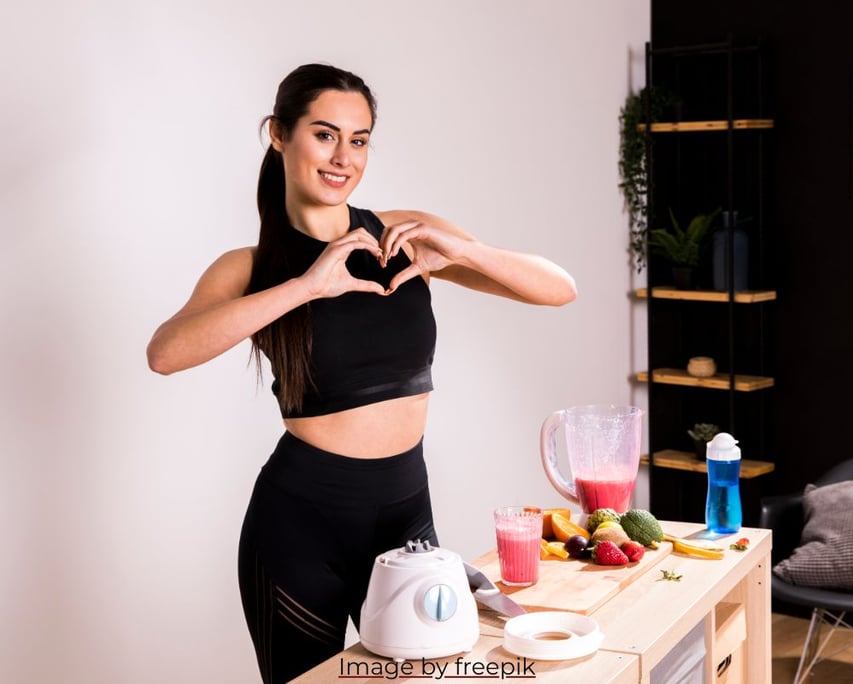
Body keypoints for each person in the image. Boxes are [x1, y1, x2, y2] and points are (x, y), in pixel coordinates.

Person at [146, 63, 576, 683]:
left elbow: (559, 289)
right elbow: (166, 352)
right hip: (299, 528)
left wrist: (464, 251)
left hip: (407, 515)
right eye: (324, 135)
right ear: (279, 134)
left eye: (360, 138)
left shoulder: (401, 235)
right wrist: (306, 285)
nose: (342, 156)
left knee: (436, 674)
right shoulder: (252, 267)